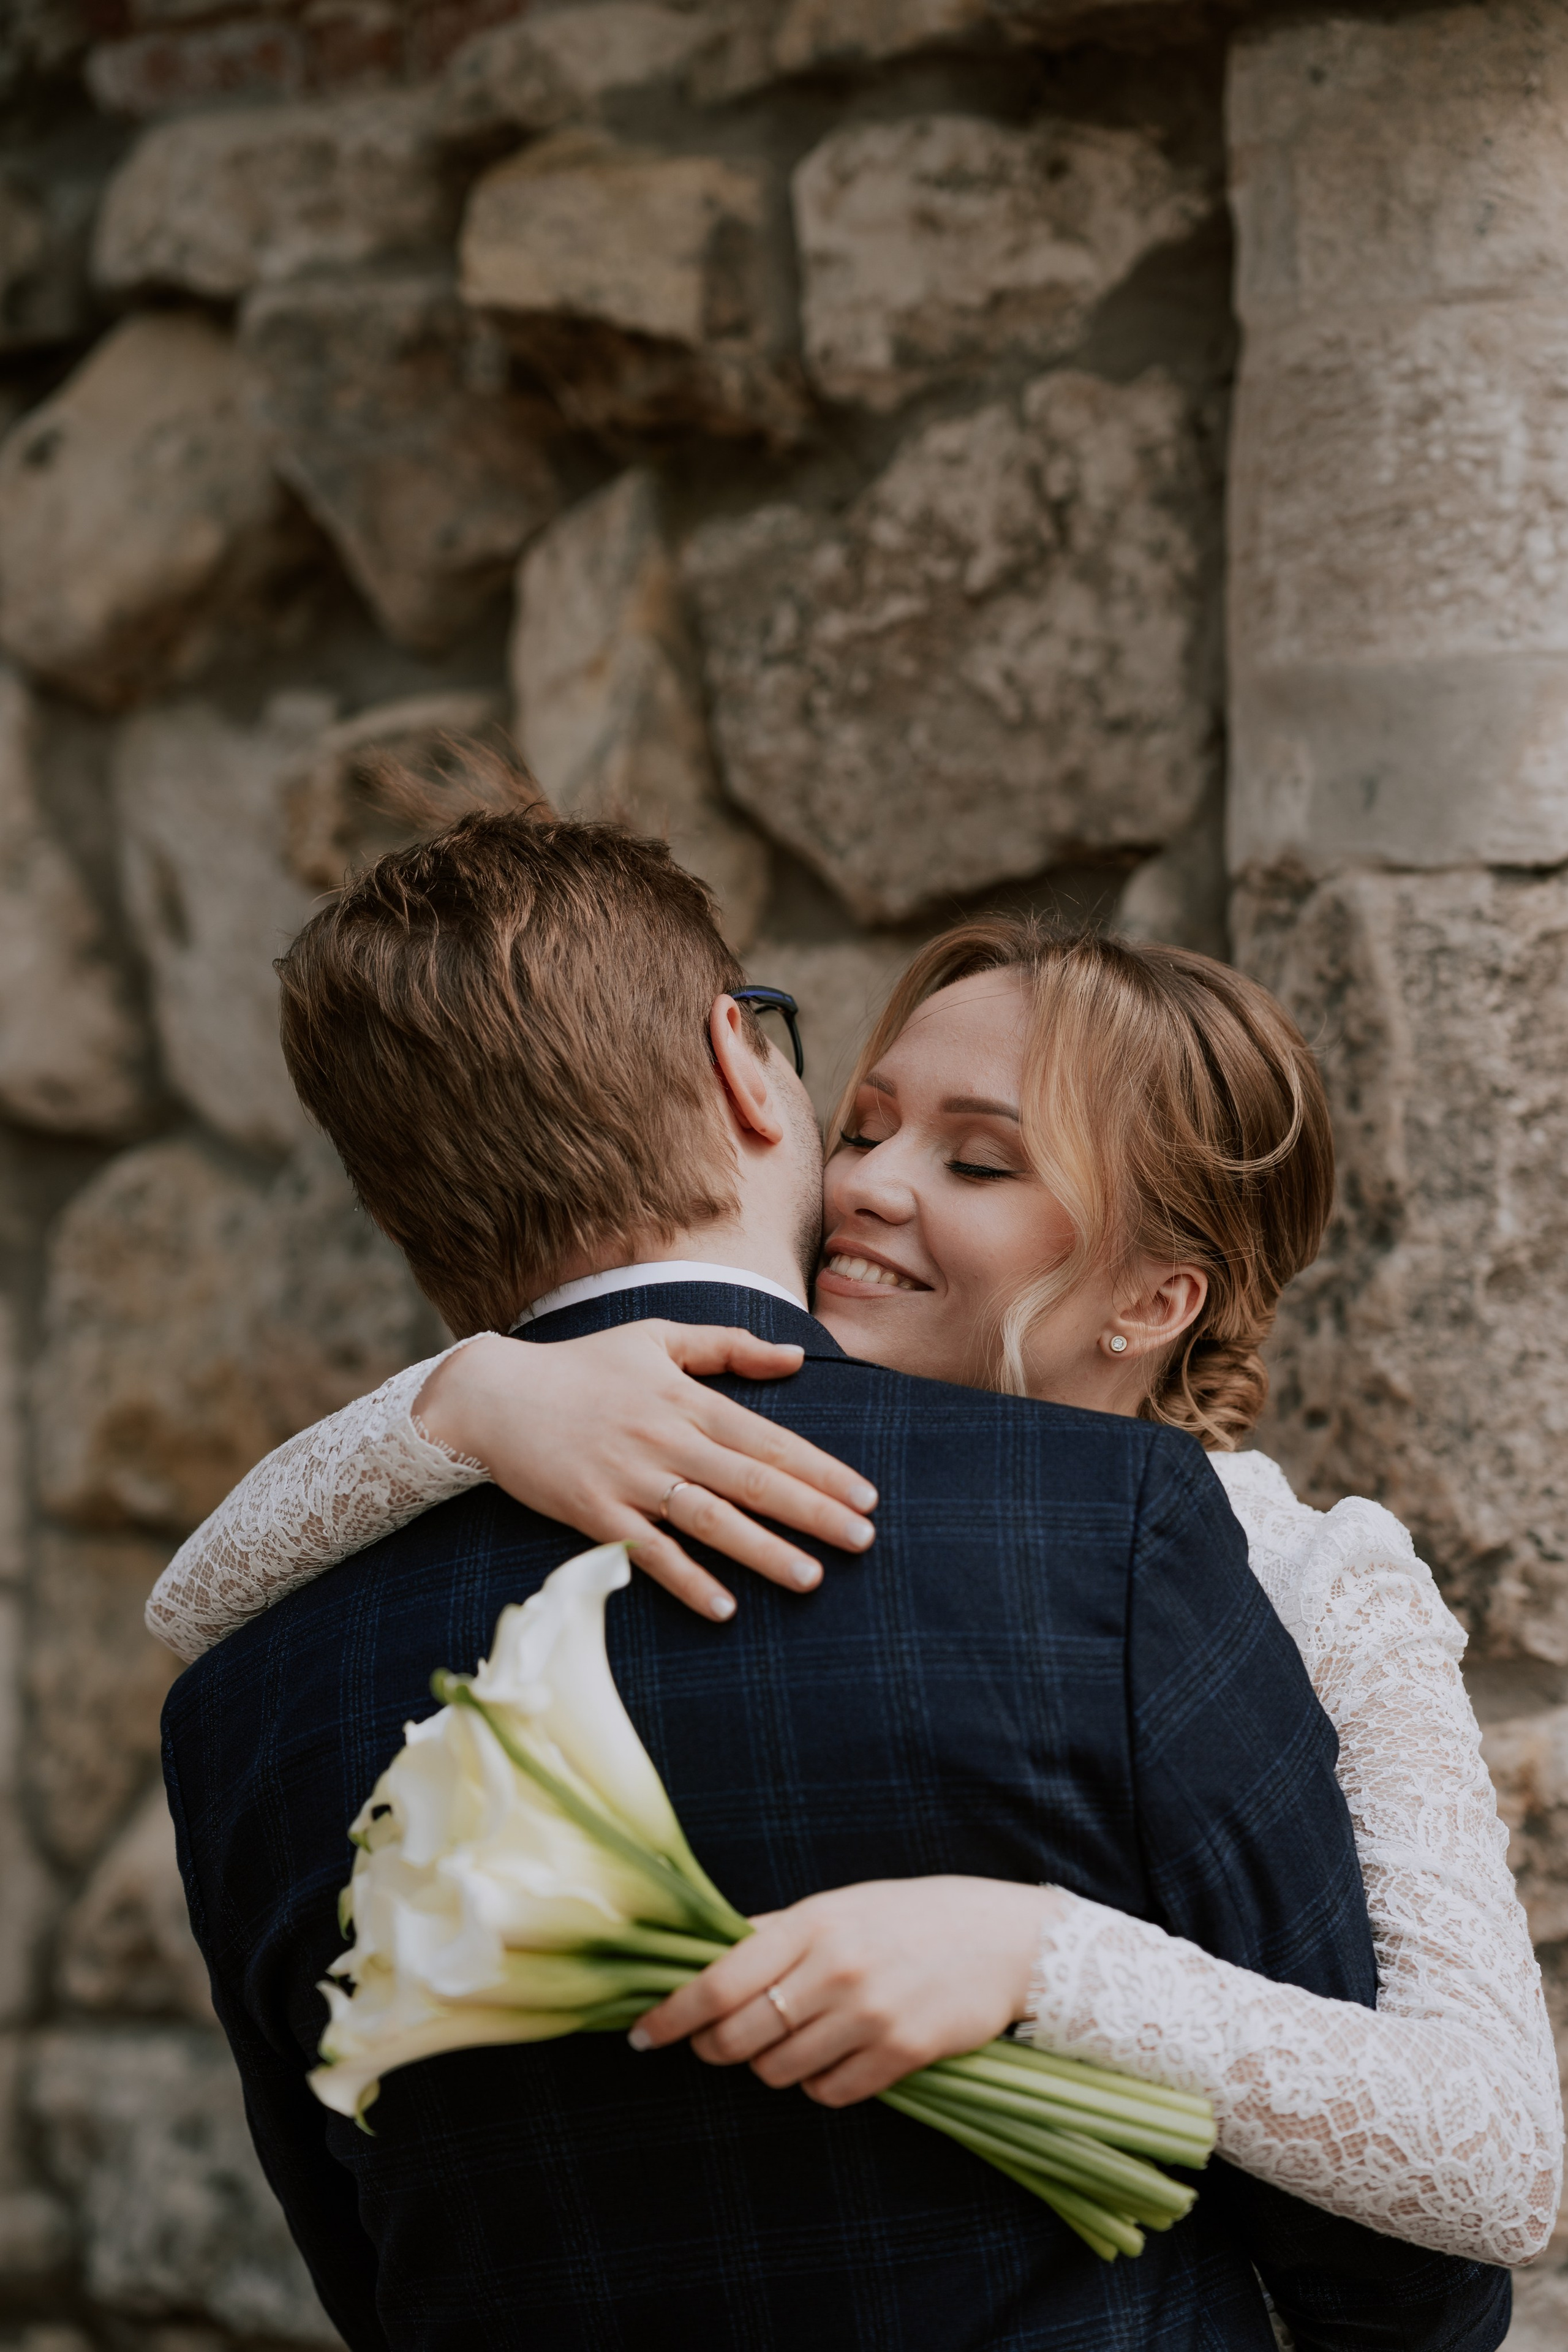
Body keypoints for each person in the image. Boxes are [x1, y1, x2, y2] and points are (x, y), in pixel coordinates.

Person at [157, 791, 1513, 2350]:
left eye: (980, 1164)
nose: (868, 1183)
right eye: (861, 1125)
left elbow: (1471, 2168)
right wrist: (452, 1403)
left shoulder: (1275, 1565)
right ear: (757, 1075)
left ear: (1153, 1297)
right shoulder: (575, 1440)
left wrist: (1038, 1960)